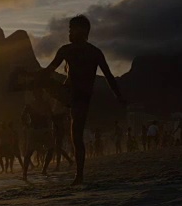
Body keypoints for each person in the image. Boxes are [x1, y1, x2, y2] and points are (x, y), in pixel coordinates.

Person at [42, 15, 126, 185]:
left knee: (76, 136)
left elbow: (109, 77)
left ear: (83, 31)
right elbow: (109, 77)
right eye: (69, 30)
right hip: (74, 95)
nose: (69, 33)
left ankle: (79, 176)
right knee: (77, 136)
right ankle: (79, 176)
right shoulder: (83, 51)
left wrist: (119, 96)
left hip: (78, 97)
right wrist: (119, 96)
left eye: (72, 30)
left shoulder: (78, 51)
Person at [21, 88, 55, 180]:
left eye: (39, 93)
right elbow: (22, 116)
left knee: (51, 149)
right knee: (29, 152)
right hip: (35, 129)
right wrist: (27, 125)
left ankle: (43, 169)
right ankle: (25, 173)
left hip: (43, 129)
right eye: (37, 93)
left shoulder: (44, 104)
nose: (38, 95)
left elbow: (51, 116)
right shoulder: (30, 105)